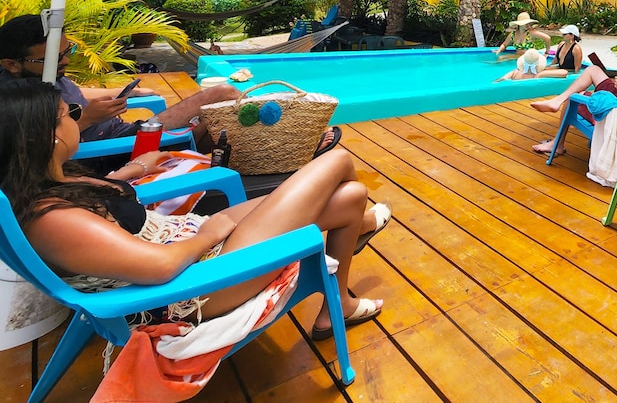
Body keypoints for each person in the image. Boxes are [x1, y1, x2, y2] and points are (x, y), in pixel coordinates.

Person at [0, 79, 390, 340]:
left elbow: (111, 207)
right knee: (335, 163)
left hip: (189, 244)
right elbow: (160, 268)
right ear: (49, 136)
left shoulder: (51, 181)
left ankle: (336, 306)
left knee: (350, 197)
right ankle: (359, 235)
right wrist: (210, 232)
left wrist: (135, 170)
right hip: (195, 288)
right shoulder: (52, 218)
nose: (76, 117)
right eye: (69, 113)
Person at [0, 15, 342, 157]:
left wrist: (126, 94)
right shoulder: (17, 102)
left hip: (126, 129)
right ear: (11, 64)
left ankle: (285, 147)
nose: (64, 62)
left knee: (217, 122)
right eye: (51, 59)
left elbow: (78, 93)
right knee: (222, 97)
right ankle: (288, 147)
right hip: (116, 150)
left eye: (67, 52)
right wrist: (87, 119)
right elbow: (45, 153)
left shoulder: (45, 77)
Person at [496, 48, 569, 82]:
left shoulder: (515, 73)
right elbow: (564, 72)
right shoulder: (537, 75)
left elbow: (500, 80)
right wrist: (541, 74)